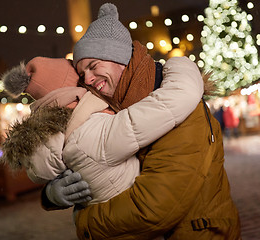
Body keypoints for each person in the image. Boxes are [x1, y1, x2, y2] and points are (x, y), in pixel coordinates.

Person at [41, 3, 241, 239]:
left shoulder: (183, 109)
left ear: (121, 58)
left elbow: (155, 208)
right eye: (82, 73)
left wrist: (84, 220)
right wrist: (51, 195)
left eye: (94, 66)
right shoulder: (118, 108)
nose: (88, 78)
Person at [1, 53, 202, 205]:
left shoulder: (62, 136)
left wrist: (50, 196)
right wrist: (180, 62)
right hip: (136, 219)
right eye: (81, 76)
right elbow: (175, 99)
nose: (89, 80)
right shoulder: (92, 130)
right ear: (75, 90)